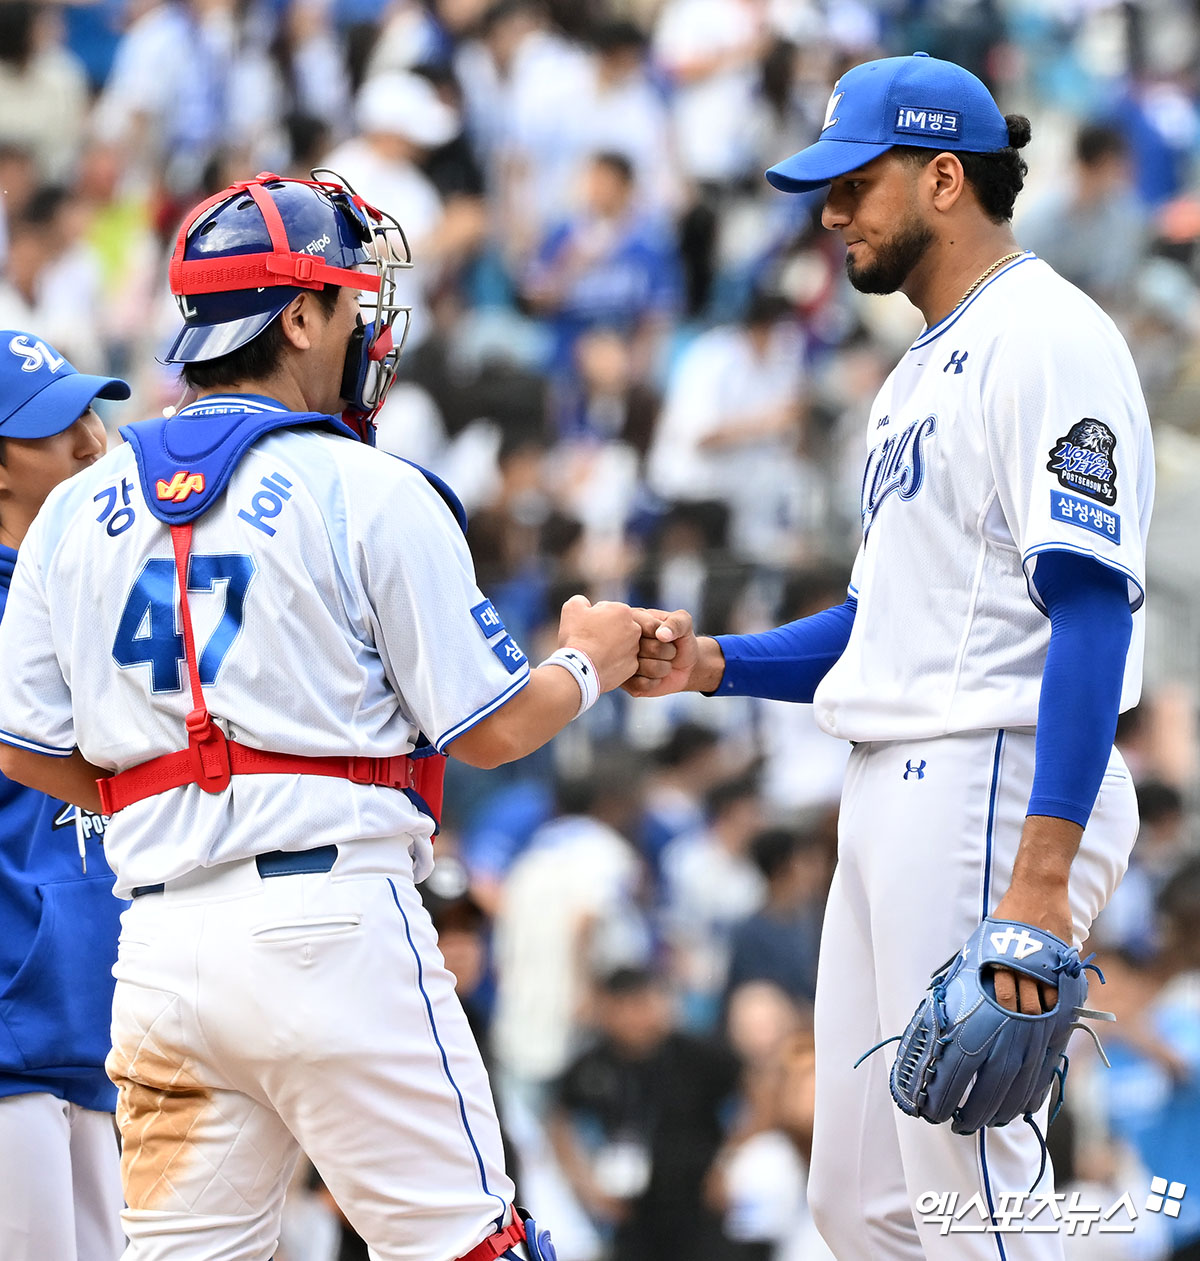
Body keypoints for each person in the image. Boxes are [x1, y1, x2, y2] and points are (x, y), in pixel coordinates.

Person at [0, 170, 642, 1261]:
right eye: (348, 299)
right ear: (298, 314)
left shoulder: (72, 509)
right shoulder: (369, 485)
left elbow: (23, 745)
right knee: (475, 1249)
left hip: (157, 948)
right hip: (333, 925)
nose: (364, 321)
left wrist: (165, 799)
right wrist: (589, 663)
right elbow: (488, 728)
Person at [626, 52, 1154, 1259]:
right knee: (859, 1205)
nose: (832, 211)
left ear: (947, 179)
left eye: (858, 183)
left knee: (968, 1184)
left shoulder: (1047, 334)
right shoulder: (915, 370)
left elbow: (1089, 607)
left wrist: (1039, 880)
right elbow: (878, 624)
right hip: (900, 775)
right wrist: (712, 661)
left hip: (990, 772)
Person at [0, 331, 130, 1260]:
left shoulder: (91, 587)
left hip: (96, 1041)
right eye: (58, 426)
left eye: (92, 412)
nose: (93, 441)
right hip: (10, 1050)